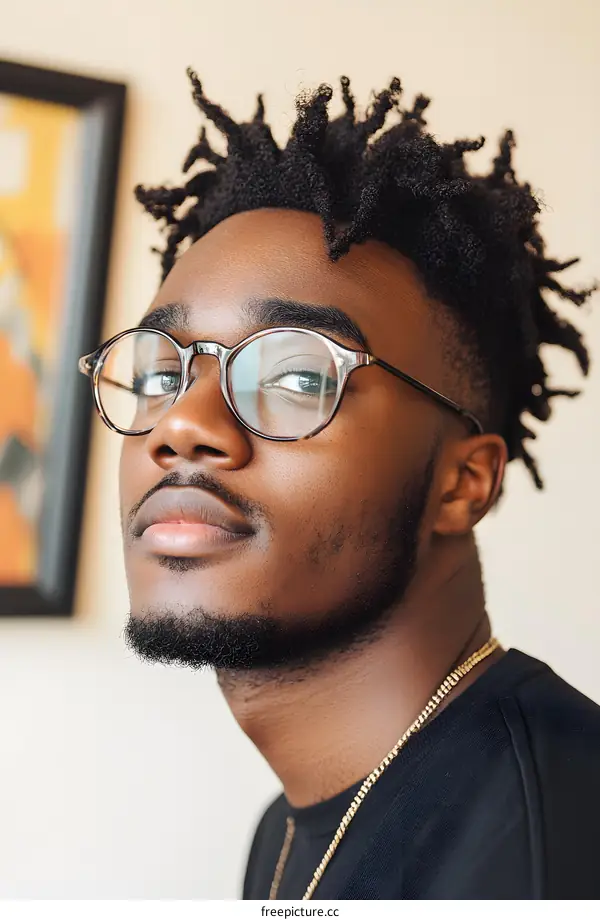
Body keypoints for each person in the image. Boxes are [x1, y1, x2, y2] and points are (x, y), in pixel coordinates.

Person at [79, 70, 600, 900]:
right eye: (157, 373)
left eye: (293, 377)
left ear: (463, 482)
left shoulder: (554, 838)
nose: (183, 424)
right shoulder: (287, 829)